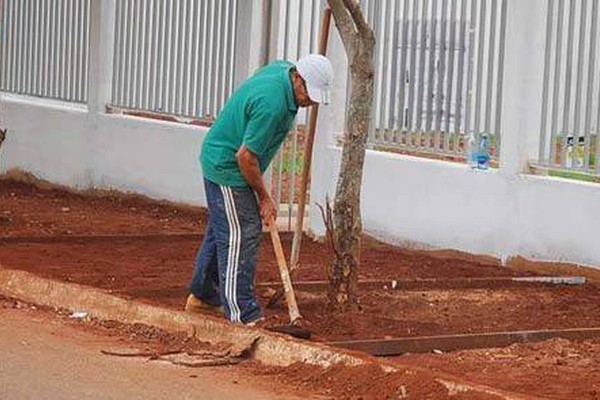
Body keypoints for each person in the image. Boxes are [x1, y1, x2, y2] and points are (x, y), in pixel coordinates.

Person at [185, 54, 334, 325]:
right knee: (242, 233)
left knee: (223, 229)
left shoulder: (282, 70)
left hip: (225, 159)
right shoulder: (272, 104)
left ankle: (204, 297)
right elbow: (246, 157)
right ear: (297, 78)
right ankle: (242, 313)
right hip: (228, 167)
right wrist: (265, 197)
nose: (310, 101)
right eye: (308, 93)